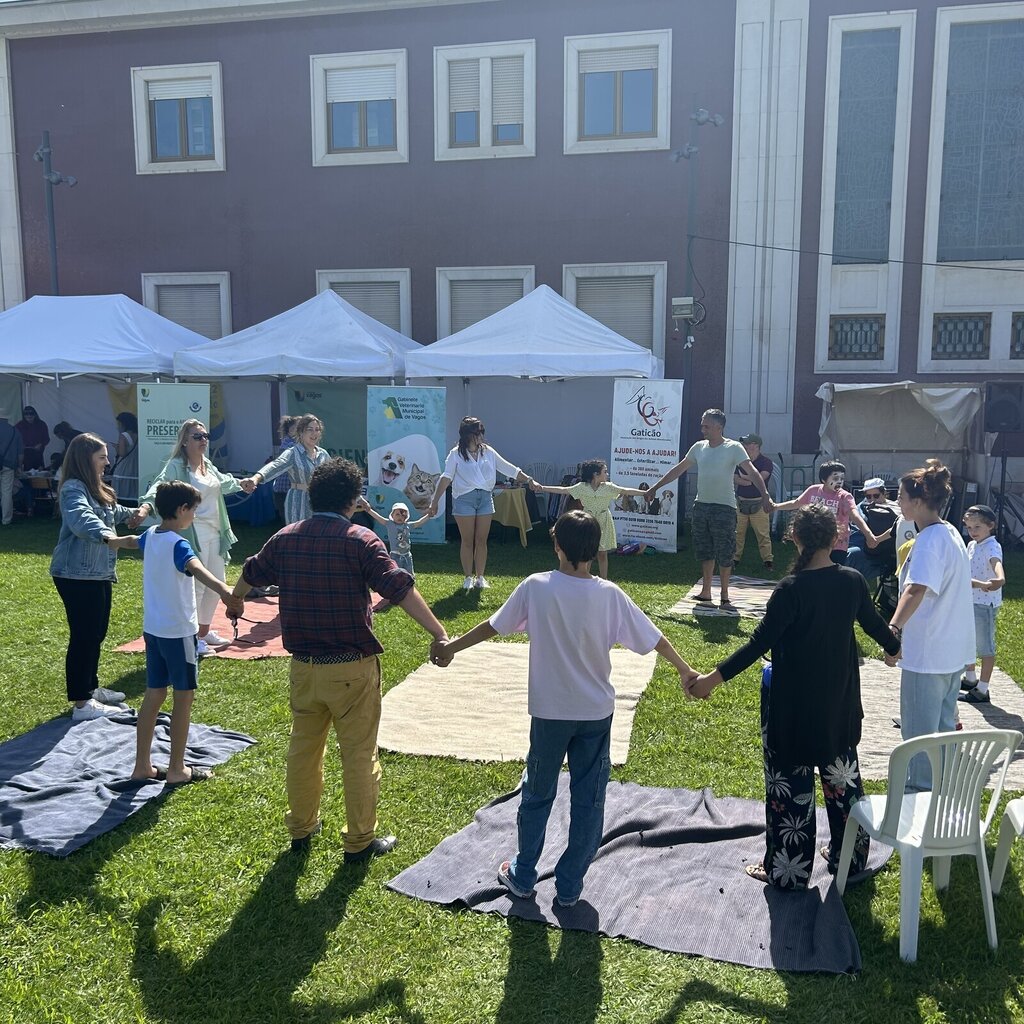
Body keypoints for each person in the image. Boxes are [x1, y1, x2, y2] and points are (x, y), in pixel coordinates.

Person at [433, 510, 696, 907]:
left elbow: (493, 625)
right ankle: (570, 886)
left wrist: (451, 647)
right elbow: (654, 637)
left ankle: (523, 875)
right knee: (588, 798)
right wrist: (685, 670)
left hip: (550, 713)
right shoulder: (610, 594)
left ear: (556, 545)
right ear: (597, 549)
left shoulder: (536, 587)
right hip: (595, 713)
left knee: (537, 792)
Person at [228, 457, 450, 860]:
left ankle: (301, 828)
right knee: (359, 755)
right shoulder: (360, 540)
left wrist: (235, 599)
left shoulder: (286, 537)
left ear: (313, 496)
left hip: (303, 668)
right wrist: (439, 633)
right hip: (351, 668)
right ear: (353, 499)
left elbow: (251, 571)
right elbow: (398, 588)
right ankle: (359, 841)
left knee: (303, 750)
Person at [688, 505, 902, 889]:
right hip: (839, 707)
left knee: (791, 789)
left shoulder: (790, 590)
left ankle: (789, 870)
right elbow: (875, 626)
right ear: (836, 538)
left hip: (792, 712)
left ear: (795, 538)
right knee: (844, 786)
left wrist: (710, 681)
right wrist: (892, 646)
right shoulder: (852, 581)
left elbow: (759, 644)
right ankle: (850, 858)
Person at [130, 481, 234, 786]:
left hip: (154, 631)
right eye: (194, 510)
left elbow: (127, 541)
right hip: (179, 634)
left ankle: (142, 766)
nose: (195, 515)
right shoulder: (179, 544)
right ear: (181, 509)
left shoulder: (150, 536)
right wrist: (226, 591)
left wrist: (109, 540)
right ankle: (177, 769)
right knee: (183, 698)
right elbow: (198, 570)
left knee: (154, 694)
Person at [885, 460, 974, 791]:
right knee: (942, 733)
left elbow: (917, 588)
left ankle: (919, 803)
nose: (899, 502)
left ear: (919, 501)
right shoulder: (950, 532)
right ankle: (942, 796)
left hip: (928, 656)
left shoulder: (930, 539)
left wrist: (892, 631)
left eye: (902, 497)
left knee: (919, 737)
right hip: (950, 654)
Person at [133, 419, 245, 657]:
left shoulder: (208, 464)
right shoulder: (176, 465)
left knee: (216, 585)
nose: (203, 440)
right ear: (184, 441)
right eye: (197, 436)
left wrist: (241, 484)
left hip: (215, 532)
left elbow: (223, 482)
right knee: (197, 588)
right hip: (192, 533)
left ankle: (203, 633)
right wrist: (145, 507)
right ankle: (192, 638)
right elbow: (159, 487)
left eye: (205, 436)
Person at [644, 409, 770, 610]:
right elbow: (678, 469)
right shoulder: (698, 447)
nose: (702, 429)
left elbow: (753, 473)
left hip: (724, 508)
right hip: (701, 506)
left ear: (719, 428)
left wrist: (765, 496)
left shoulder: (734, 448)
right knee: (705, 550)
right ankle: (706, 591)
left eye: (706, 426)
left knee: (725, 551)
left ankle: (725, 596)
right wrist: (655, 487)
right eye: (702, 425)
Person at [49, 433, 135, 720]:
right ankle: (82, 704)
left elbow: (114, 511)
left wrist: (139, 512)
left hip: (97, 573)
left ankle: (91, 688)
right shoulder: (73, 488)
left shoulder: (96, 487)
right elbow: (81, 518)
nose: (108, 462)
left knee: (96, 633)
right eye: (102, 457)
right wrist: (109, 536)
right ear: (86, 459)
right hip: (75, 575)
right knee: (84, 636)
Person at [427, 416, 535, 591]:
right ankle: (468, 577)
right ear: (467, 434)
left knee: (481, 540)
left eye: (482, 431)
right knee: (468, 541)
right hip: (464, 499)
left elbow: (509, 468)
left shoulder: (488, 452)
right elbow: (446, 477)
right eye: (477, 432)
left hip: (485, 497)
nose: (480, 435)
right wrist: (434, 502)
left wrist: (529, 479)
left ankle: (480, 577)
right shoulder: (455, 454)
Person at [770, 461, 879, 566]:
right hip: (814, 542)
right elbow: (797, 503)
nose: (839, 482)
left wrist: (868, 534)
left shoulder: (845, 496)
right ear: (823, 479)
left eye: (842, 478)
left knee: (834, 575)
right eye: (835, 478)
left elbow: (855, 515)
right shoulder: (813, 491)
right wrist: (776, 507)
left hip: (837, 545)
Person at [243, 414, 331, 524]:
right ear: (301, 432)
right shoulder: (292, 453)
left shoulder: (323, 454)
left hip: (319, 502)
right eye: (310, 429)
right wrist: (256, 478)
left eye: (317, 430)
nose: (314, 433)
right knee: (298, 536)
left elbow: (334, 476)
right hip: (298, 501)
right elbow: (275, 466)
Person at [959, 504, 1005, 706]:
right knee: (968, 639)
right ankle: (970, 679)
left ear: (990, 526)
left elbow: (997, 565)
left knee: (985, 646)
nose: (972, 532)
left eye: (977, 527)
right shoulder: (972, 545)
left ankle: (983, 689)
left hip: (984, 604)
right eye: (969, 527)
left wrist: (999, 579)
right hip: (970, 600)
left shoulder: (992, 546)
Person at [355, 498, 429, 611]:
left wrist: (428, 515)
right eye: (398, 514)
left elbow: (419, 523)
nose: (400, 517)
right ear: (392, 515)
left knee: (409, 574)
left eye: (403, 515)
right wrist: (369, 510)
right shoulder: (389, 524)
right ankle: (394, 591)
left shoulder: (408, 525)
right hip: (396, 555)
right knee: (395, 574)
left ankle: (411, 594)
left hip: (407, 555)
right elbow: (378, 518)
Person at [845, 477, 899, 584]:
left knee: (850, 556)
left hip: (878, 551)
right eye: (868, 496)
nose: (872, 499)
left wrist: (876, 539)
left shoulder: (894, 508)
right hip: (857, 544)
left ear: (884, 493)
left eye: (876, 495)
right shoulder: (861, 507)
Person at [733, 432, 774, 570]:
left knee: (763, 534)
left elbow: (761, 479)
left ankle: (768, 561)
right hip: (741, 501)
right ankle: (735, 559)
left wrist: (745, 477)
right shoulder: (740, 460)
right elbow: (734, 478)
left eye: (747, 443)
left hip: (759, 503)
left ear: (756, 445)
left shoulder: (766, 462)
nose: (744, 446)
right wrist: (749, 480)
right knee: (738, 533)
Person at [271, 415, 298, 525]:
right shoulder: (287, 443)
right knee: (287, 521)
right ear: (288, 431)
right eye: (294, 429)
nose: (297, 431)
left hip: (294, 490)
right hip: (283, 490)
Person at [0, 410, 24, 527]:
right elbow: (20, 453)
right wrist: (19, 466)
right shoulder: (15, 431)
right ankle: (6, 519)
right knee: (6, 492)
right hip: (9, 465)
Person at [111, 411, 139, 504]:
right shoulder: (139, 434)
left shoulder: (123, 436)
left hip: (124, 470)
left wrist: (117, 448)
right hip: (136, 469)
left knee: (121, 500)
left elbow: (122, 453)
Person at [14, 405, 48, 471]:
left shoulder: (41, 424)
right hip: (25, 454)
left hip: (38, 454)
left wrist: (41, 444)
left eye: (31, 413)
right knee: (27, 473)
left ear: (35, 414)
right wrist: (20, 446)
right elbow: (14, 438)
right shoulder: (19, 425)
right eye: (26, 414)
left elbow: (46, 438)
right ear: (24, 415)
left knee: (39, 472)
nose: (29, 416)